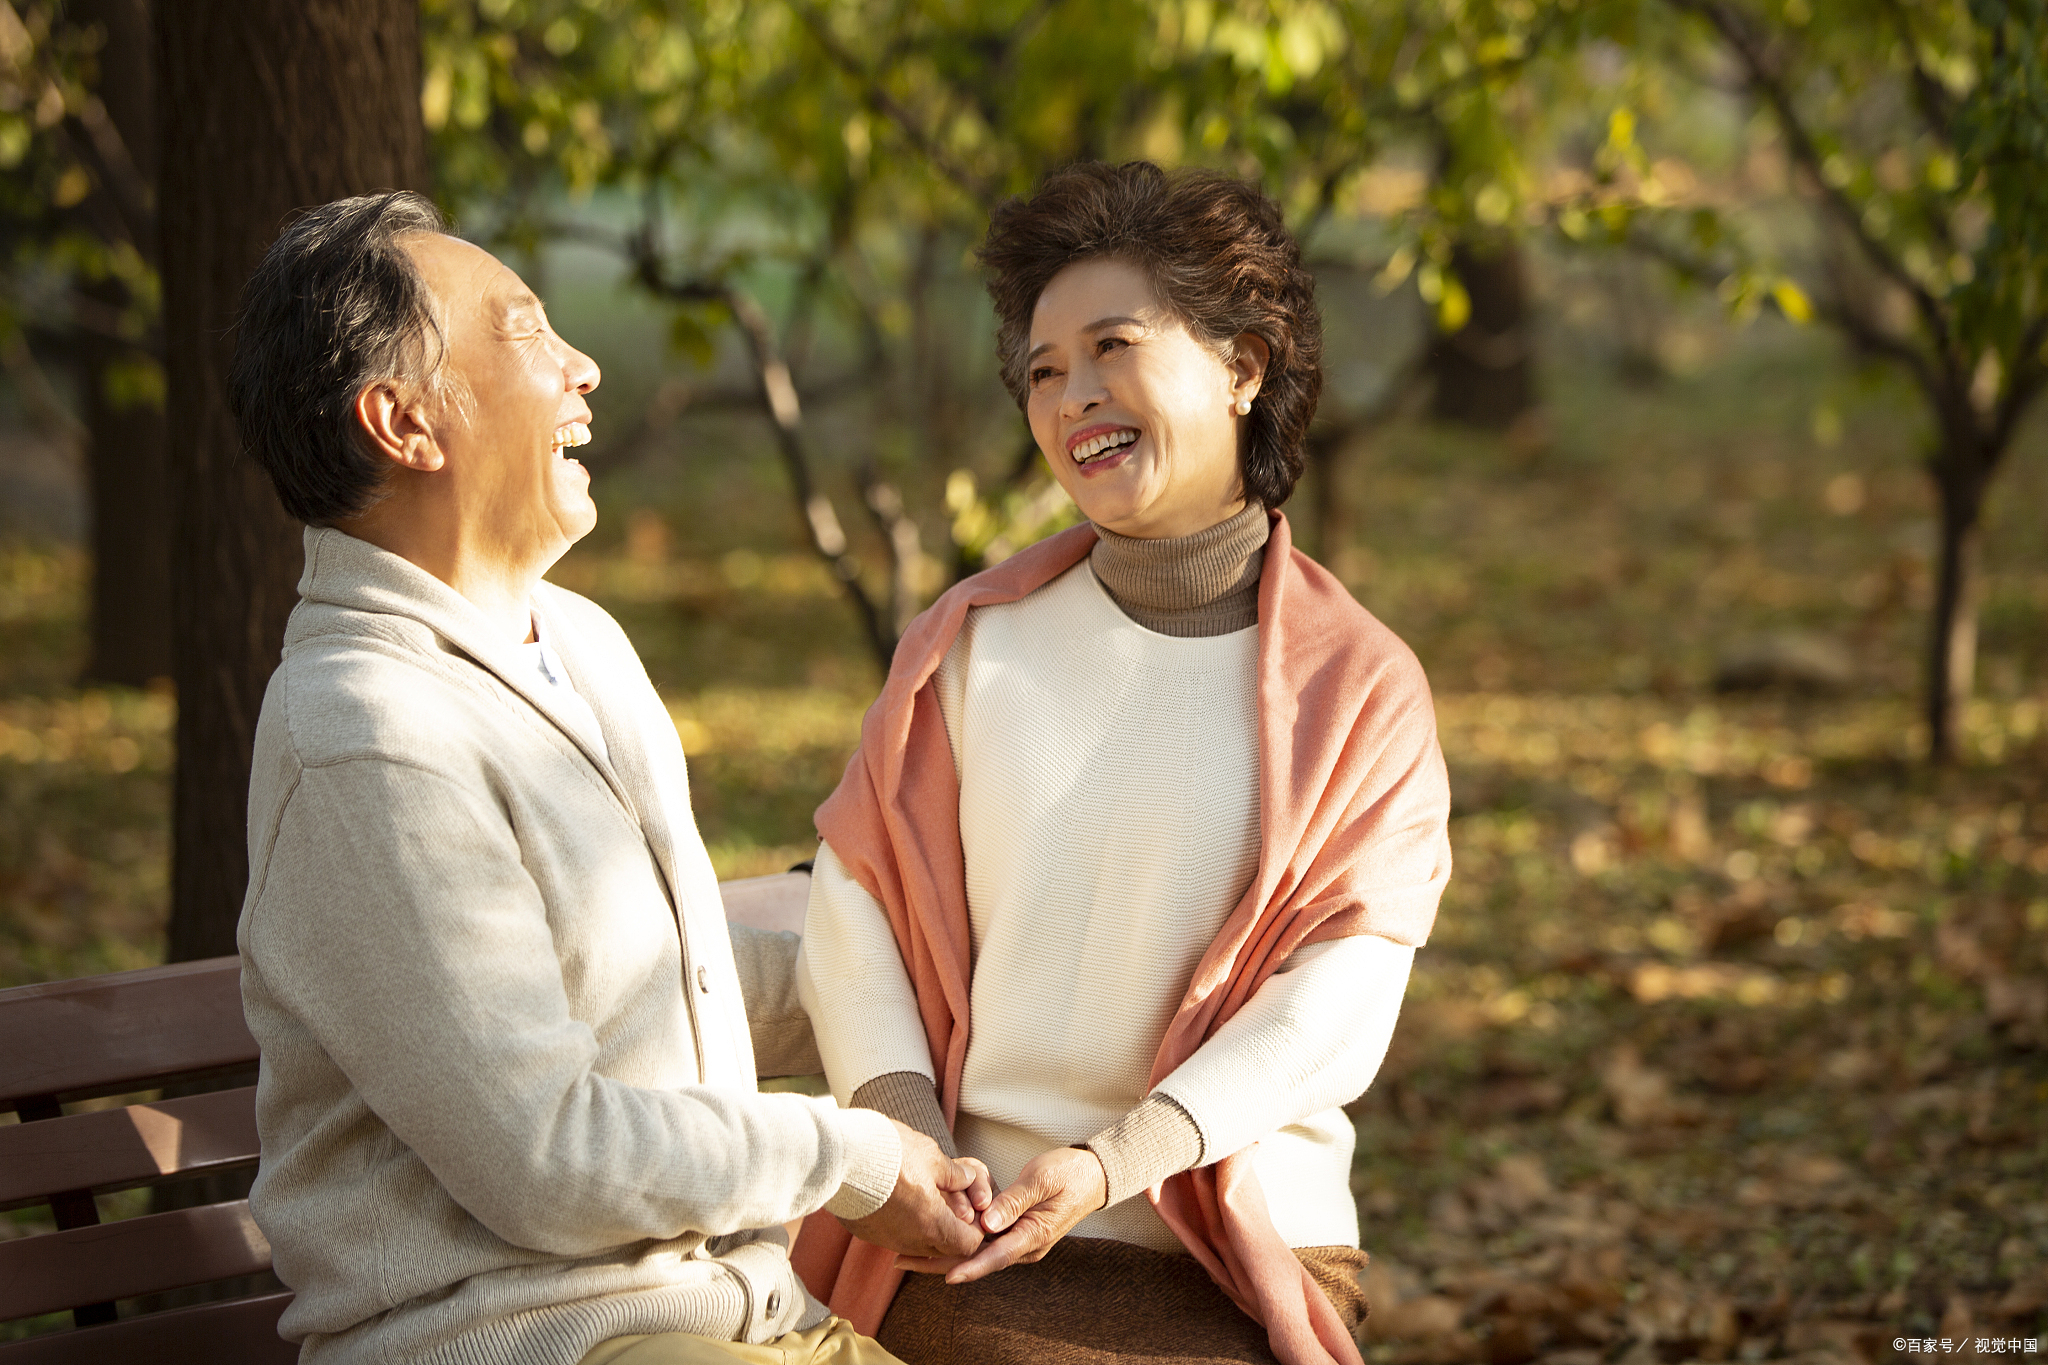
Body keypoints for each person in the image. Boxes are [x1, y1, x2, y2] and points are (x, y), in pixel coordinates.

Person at [230, 191, 992, 1365]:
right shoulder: (363, 737)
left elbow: (646, 986)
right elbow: (547, 1157)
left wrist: (945, 992)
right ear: (402, 422)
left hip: (739, 1318)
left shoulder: (574, 643)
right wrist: (850, 1158)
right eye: (526, 331)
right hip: (526, 1340)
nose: (582, 365)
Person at [793, 162, 1454, 1365]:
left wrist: (1117, 1162)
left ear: (1243, 367)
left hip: (1225, 1242)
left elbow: (1339, 1002)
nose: (1069, 397)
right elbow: (856, 907)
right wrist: (904, 1148)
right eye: (1043, 370)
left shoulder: (1356, 690)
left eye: (1111, 348)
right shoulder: (968, 646)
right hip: (971, 1232)